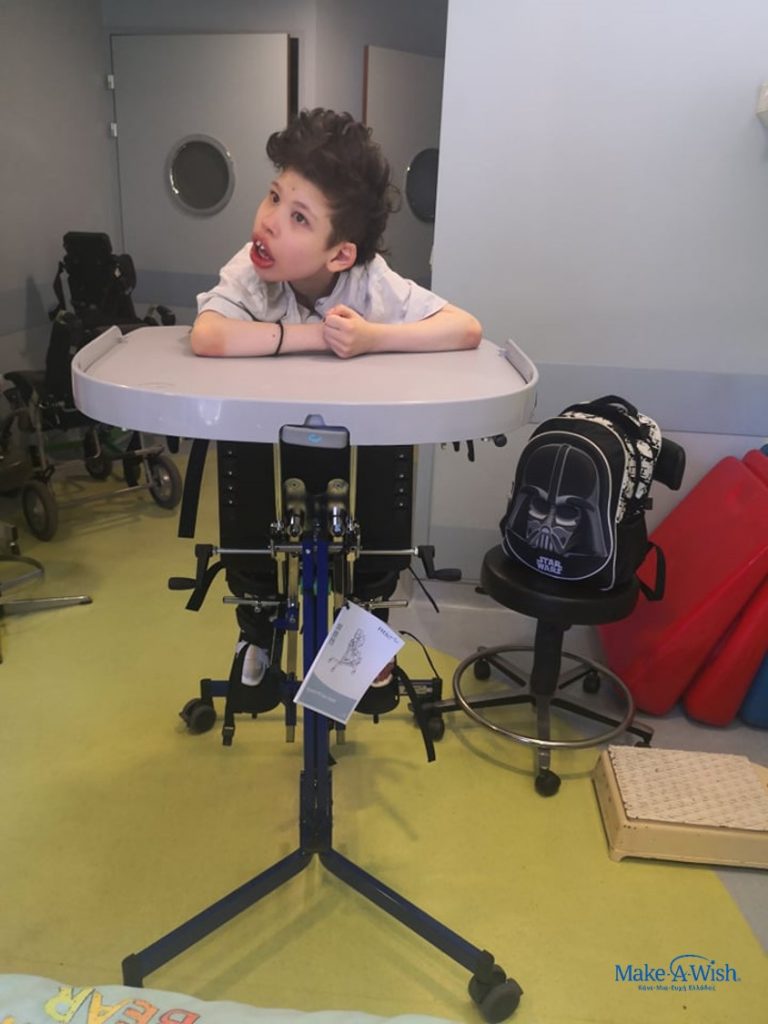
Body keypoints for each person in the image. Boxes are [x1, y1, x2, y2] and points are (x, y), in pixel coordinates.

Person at [190, 108, 481, 714]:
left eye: (299, 218)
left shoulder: (370, 282)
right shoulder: (253, 266)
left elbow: (465, 329)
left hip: (353, 449)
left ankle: (369, 624)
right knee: (238, 447)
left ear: (341, 254)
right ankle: (257, 627)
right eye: (274, 197)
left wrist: (374, 336)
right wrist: (312, 336)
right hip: (270, 445)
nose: (270, 222)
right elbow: (208, 336)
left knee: (390, 448)